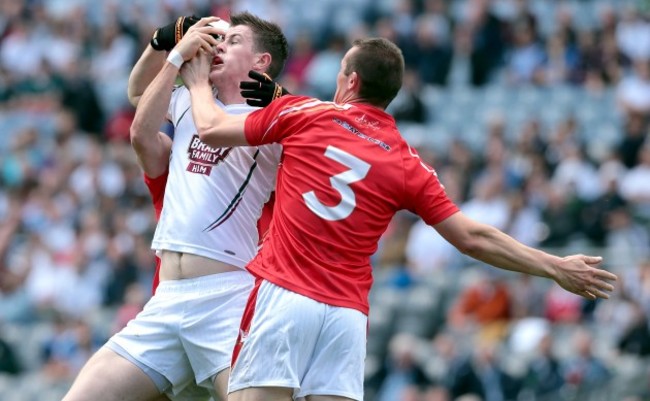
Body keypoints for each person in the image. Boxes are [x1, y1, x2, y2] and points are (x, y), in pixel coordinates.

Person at [180, 36, 618, 401]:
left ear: (350, 80)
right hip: (345, 318)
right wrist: (554, 266)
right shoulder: (407, 162)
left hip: (285, 296)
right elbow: (472, 238)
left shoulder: (307, 114)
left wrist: (198, 82)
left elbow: (212, 129)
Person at [62, 13, 289, 401]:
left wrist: (281, 96)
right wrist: (168, 47)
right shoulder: (187, 100)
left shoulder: (277, 121)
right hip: (166, 299)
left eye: (233, 41)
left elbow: (330, 128)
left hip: (227, 298)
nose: (218, 46)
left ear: (261, 62)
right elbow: (138, 101)